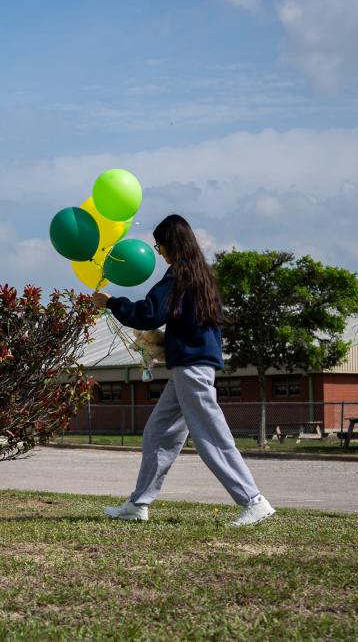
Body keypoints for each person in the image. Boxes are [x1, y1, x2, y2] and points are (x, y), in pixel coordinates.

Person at [91, 214, 274, 527]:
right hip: (189, 366)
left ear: (169, 244)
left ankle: (254, 501)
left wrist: (111, 303)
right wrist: (168, 345)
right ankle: (139, 503)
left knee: (212, 438)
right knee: (158, 434)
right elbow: (188, 324)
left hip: (192, 369)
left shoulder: (179, 274)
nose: (158, 252)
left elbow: (149, 313)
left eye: (159, 246)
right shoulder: (200, 274)